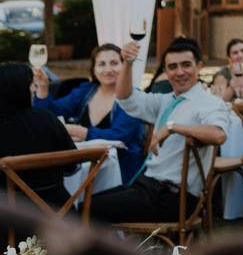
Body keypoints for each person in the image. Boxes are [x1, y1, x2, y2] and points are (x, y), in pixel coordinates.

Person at [88, 38, 230, 224]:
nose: (180, 72)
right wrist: (128, 64)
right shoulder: (165, 100)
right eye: (173, 67)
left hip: (174, 197)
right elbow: (124, 97)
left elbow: (218, 135)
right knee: (86, 202)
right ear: (165, 71)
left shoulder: (210, 103)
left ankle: (115, 253)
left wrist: (172, 128)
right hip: (148, 186)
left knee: (90, 209)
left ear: (200, 66)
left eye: (186, 65)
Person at [32, 44, 145, 184]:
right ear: (94, 69)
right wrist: (43, 87)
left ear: (124, 67)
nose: (108, 69)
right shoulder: (86, 91)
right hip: (85, 167)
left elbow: (120, 136)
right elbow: (51, 112)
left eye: (114, 63)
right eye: (101, 64)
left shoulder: (132, 97)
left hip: (121, 172)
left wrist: (81, 132)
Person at [0, 63, 77, 208]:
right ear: (18, 89)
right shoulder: (46, 119)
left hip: (10, 220)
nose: (35, 89)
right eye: (31, 84)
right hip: (58, 215)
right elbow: (72, 167)